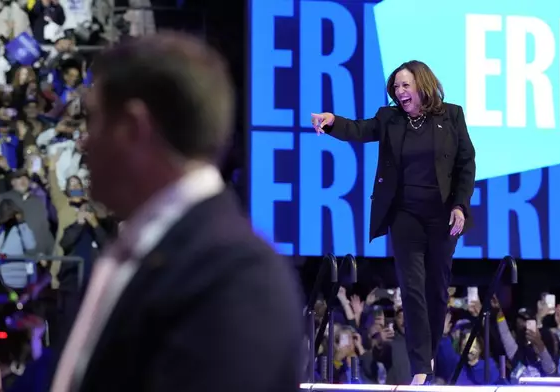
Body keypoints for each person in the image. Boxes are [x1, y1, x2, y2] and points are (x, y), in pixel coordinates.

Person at [50, 32, 303, 392]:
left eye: (94, 120)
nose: (84, 142)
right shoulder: (138, 251)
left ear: (134, 128)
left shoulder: (235, 275)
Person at [311, 60, 476, 385]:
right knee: (412, 287)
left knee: (437, 289)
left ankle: (427, 350)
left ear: (423, 85)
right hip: (405, 215)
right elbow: (361, 129)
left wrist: (460, 205)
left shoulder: (452, 115)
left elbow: (465, 162)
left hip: (442, 216)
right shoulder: (390, 119)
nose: (399, 92)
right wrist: (332, 123)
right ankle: (420, 366)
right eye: (396, 87)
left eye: (405, 85)